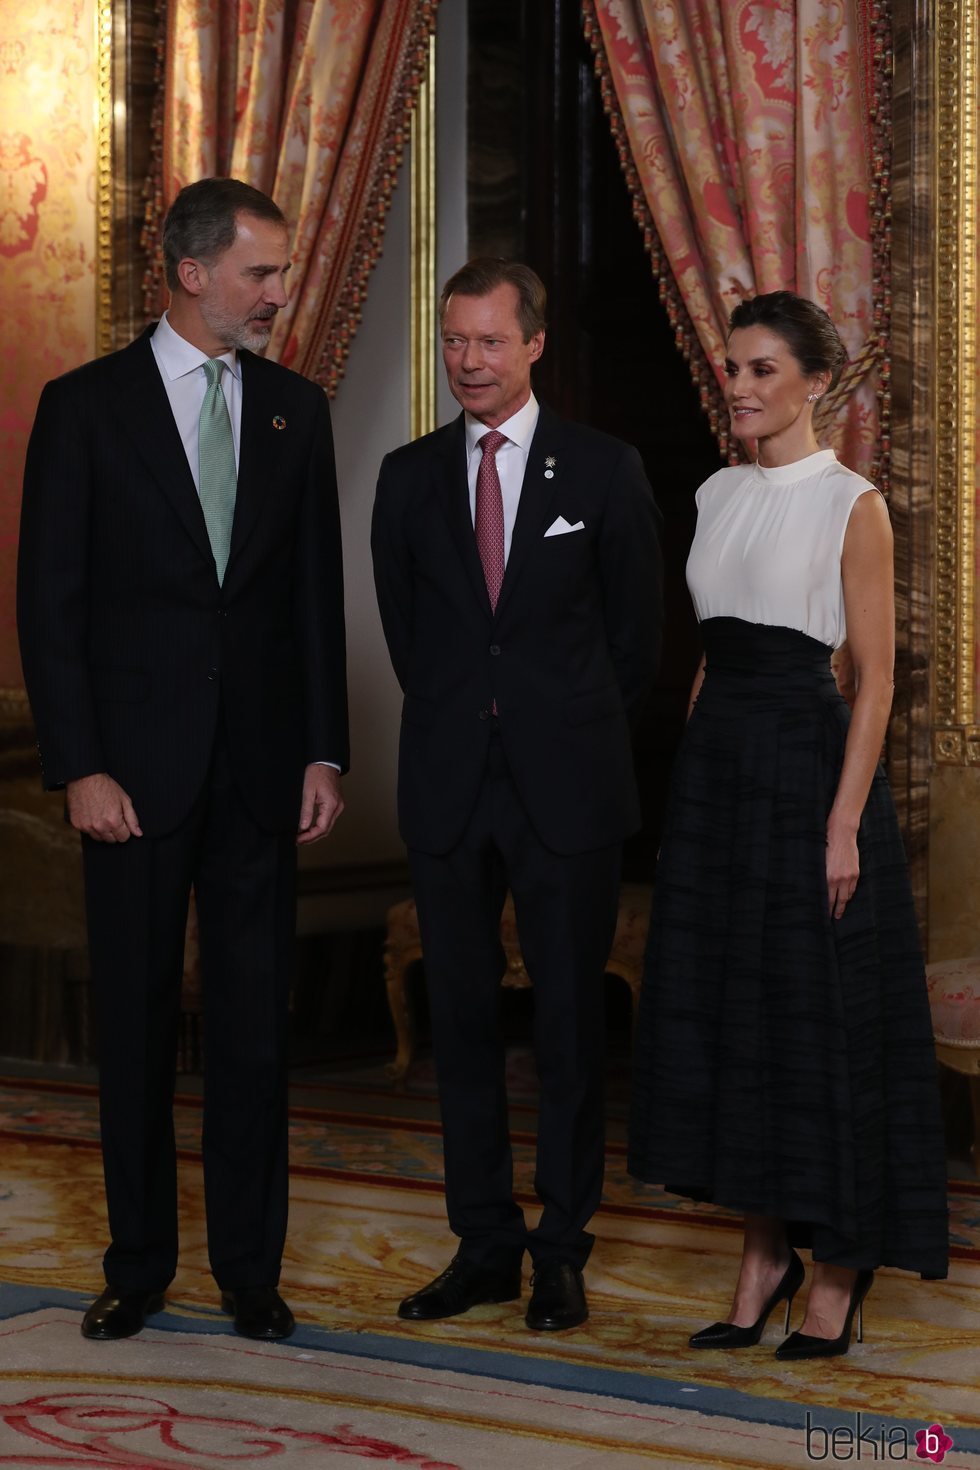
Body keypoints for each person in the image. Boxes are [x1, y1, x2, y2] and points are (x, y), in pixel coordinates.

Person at [17, 177, 349, 1343]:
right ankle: (139, 1266)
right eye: (260, 272)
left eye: (279, 271)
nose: (276, 293)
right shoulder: (85, 408)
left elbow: (314, 599)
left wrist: (324, 752)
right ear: (192, 272)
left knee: (256, 1031)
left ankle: (250, 1273)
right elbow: (48, 607)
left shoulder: (293, 414)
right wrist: (81, 766)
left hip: (262, 772)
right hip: (133, 779)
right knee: (138, 1025)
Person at [628, 290, 948, 1361]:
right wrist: (691, 785)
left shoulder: (850, 502)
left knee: (820, 1023)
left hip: (805, 770)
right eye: (730, 367)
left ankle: (838, 1275)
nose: (740, 386)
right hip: (718, 771)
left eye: (762, 368)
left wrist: (842, 824)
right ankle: (761, 1256)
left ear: (815, 382)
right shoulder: (715, 493)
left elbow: (870, 681)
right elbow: (713, 653)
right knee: (738, 1018)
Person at [371, 259, 663, 1331]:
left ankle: (562, 1248)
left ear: (534, 344)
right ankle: (484, 1243)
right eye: (454, 342)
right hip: (447, 783)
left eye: (489, 342)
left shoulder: (602, 470)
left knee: (570, 1025)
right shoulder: (405, 478)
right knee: (458, 1024)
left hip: (568, 787)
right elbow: (412, 640)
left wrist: (556, 725)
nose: (468, 363)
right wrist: (473, 718)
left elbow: (636, 640)